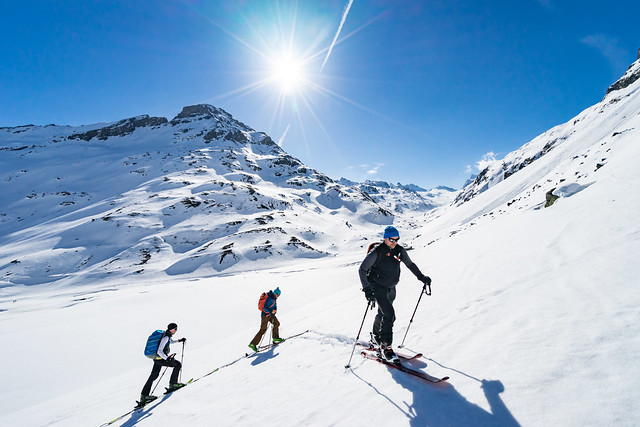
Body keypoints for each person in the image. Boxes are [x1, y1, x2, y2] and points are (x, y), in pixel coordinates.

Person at [358, 226, 431, 364]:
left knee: (384, 313)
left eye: (397, 239)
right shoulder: (377, 252)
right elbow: (362, 269)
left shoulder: (399, 250)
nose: (395, 242)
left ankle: (375, 336)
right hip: (377, 287)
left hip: (391, 288)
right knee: (389, 314)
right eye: (392, 239)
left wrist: (421, 277)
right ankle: (386, 348)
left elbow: (410, 264)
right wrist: (367, 290)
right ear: (385, 238)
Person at [139, 323, 187, 405]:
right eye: (175, 329)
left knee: (153, 375)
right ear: (171, 329)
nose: (176, 331)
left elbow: (169, 342)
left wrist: (179, 340)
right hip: (161, 359)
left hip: (156, 359)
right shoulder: (166, 337)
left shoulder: (166, 336)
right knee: (177, 364)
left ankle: (144, 396)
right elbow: (159, 350)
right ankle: (173, 384)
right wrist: (167, 358)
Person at [248, 287, 284, 352]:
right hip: (265, 316)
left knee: (276, 323)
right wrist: (271, 311)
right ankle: (253, 344)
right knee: (263, 330)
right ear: (275, 293)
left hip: (270, 315)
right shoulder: (270, 298)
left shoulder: (274, 298)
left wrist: (275, 310)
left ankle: (275, 338)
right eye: (278, 295)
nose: (278, 296)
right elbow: (265, 308)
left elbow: (275, 305)